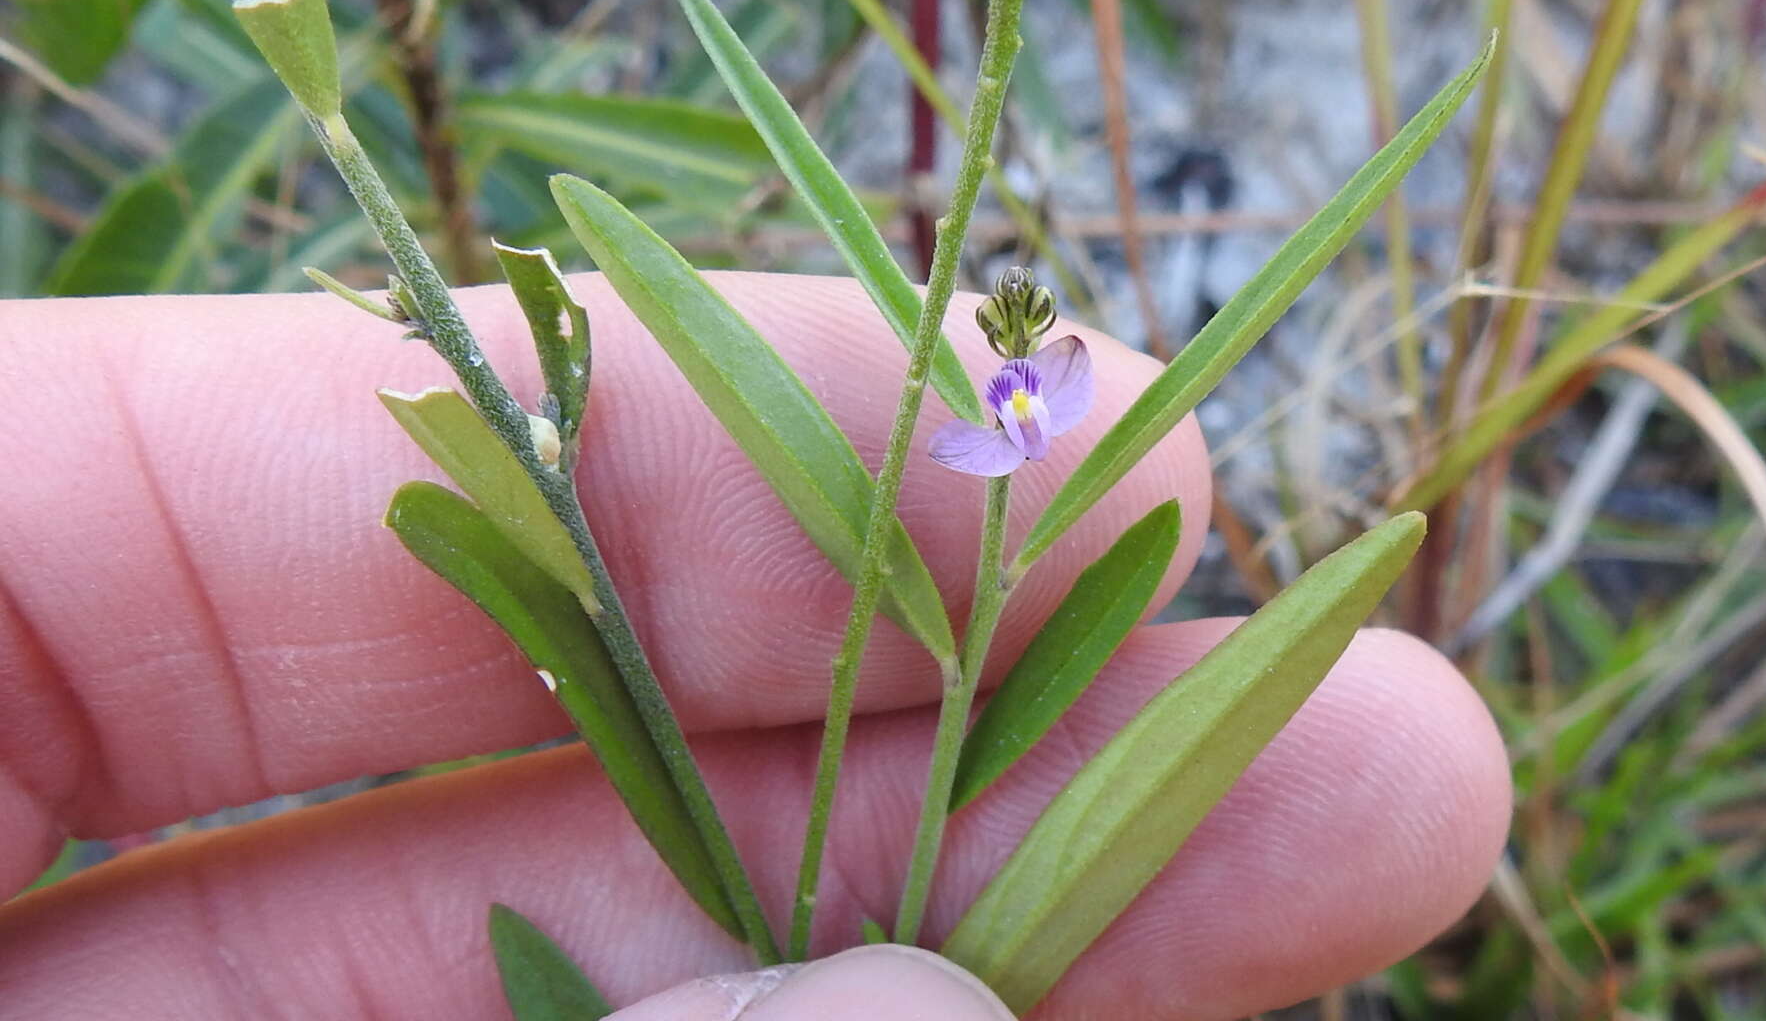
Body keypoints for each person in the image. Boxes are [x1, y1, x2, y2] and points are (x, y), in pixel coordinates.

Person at [0, 275, 1510, 1018]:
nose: (1026, 413)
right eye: (1021, 399)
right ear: (1003, 397)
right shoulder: (977, 457)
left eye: (1028, 398)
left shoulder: (1004, 455)